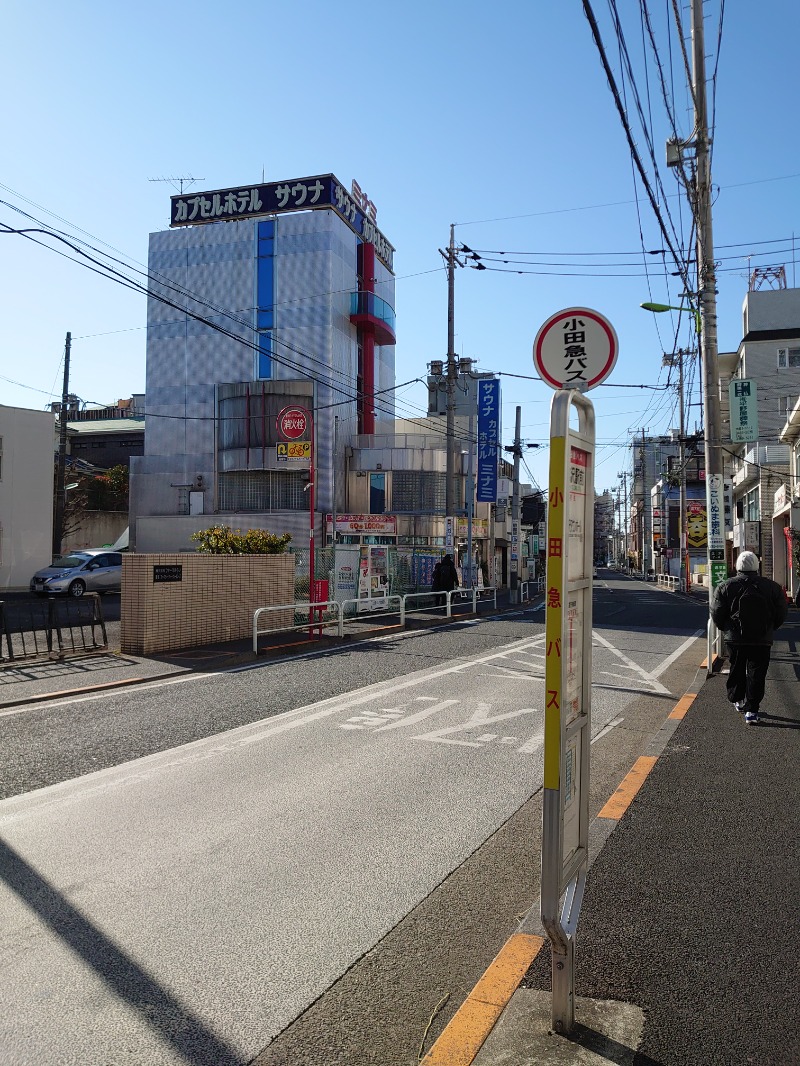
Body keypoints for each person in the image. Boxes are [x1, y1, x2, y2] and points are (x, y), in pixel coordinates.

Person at [710, 551, 787, 725]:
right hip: (762, 638)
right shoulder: (772, 587)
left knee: (737, 668)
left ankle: (738, 700)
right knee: (757, 673)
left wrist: (726, 629)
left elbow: (717, 613)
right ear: (756, 567)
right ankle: (752, 711)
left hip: (735, 638)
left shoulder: (725, 586)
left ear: (737, 567)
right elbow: (782, 611)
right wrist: (771, 627)